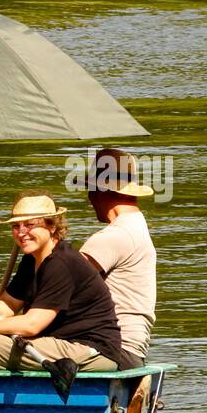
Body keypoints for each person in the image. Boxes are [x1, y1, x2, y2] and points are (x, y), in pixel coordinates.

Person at [0, 193, 137, 372]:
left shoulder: (61, 263)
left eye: (30, 225)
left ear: (51, 226)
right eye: (16, 226)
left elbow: (32, 325)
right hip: (58, 342)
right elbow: (8, 303)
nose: (21, 233)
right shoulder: (31, 260)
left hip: (90, 349)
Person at [80, 148, 157, 363]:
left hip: (111, 347)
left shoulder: (114, 236)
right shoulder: (137, 225)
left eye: (90, 190)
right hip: (134, 348)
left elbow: (60, 285)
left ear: (99, 191)